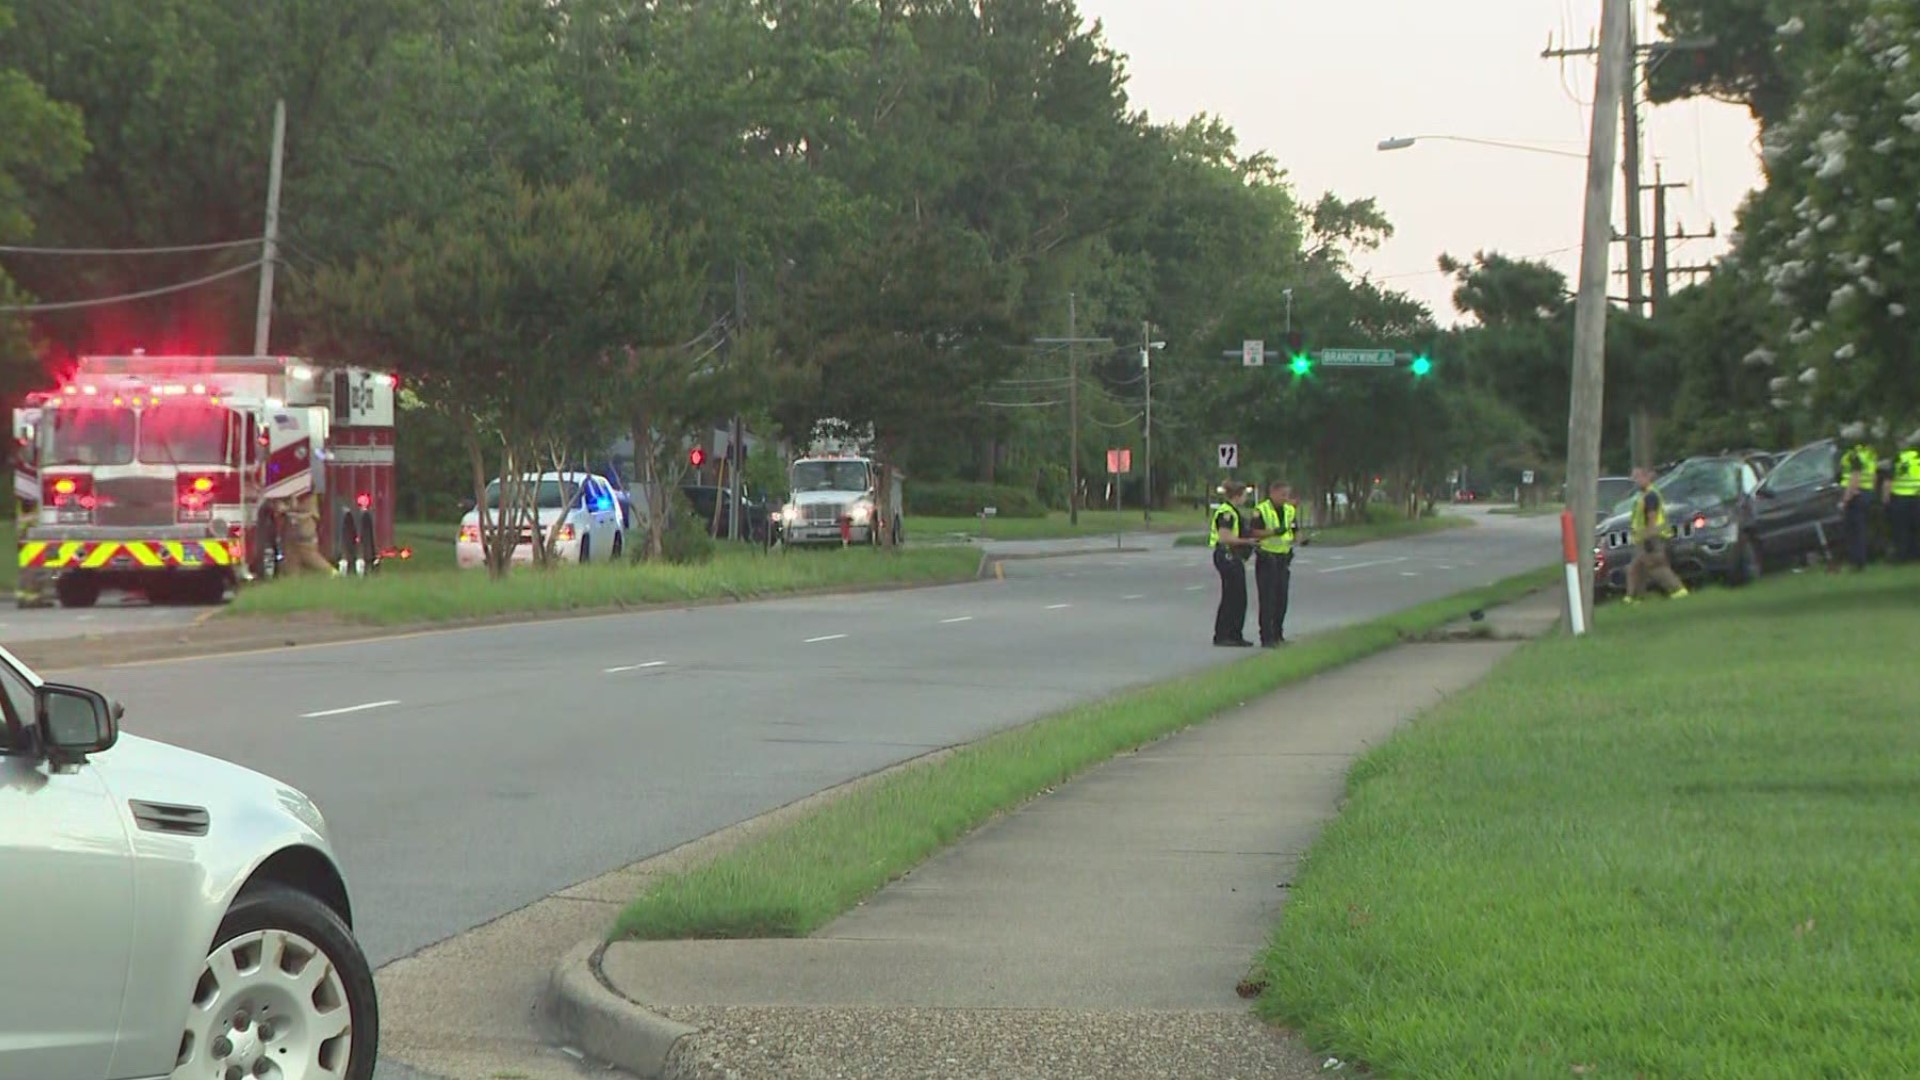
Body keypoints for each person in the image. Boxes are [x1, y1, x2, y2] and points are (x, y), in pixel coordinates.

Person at [1625, 466, 1690, 602]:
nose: (1635, 481)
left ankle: (1678, 590)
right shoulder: (1643, 496)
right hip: (1643, 538)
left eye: (1637, 477)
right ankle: (1634, 597)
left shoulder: (1650, 496)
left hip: (1652, 537)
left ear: (1646, 477)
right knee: (1636, 568)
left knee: (1656, 566)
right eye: (1633, 478)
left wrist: (1649, 537)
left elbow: (1652, 517)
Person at [1252, 480, 1299, 647]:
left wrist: (1301, 540)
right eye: (1282, 495)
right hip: (1267, 558)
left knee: (1282, 599)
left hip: (1283, 560)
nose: (1285, 498)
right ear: (1272, 493)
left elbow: (1294, 531)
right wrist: (1273, 532)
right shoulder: (1261, 510)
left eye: (1287, 495)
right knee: (1268, 600)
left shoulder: (1289, 510)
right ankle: (1267, 637)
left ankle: (1278, 634)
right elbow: (1255, 532)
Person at [1209, 480, 1256, 647]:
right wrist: (1247, 541)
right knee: (1233, 596)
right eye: (1244, 495)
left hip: (1233, 555)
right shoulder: (1226, 513)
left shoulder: (1233, 512)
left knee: (1237, 597)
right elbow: (1225, 537)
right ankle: (1224, 635)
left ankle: (1234, 634)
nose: (1245, 498)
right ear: (1238, 495)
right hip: (1227, 554)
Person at [1839, 438, 1880, 570]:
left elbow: (1855, 476)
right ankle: (1863, 558)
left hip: (1855, 495)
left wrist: (1845, 499)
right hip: (1866, 493)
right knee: (1861, 529)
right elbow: (1874, 475)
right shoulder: (1869, 454)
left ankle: (1857, 562)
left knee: (1853, 530)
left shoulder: (1853, 455)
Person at [279, 493, 338, 576]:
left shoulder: (308, 495)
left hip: (304, 536)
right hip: (295, 538)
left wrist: (287, 508)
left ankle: (333, 574)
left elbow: (305, 510)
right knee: (293, 563)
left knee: (310, 557)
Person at [1887, 433, 1920, 564]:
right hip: (1917, 497)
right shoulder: (1917, 457)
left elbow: (1888, 481)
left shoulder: (1897, 458)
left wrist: (1886, 498)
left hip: (1901, 498)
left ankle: (1903, 556)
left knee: (1901, 529)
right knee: (1916, 528)